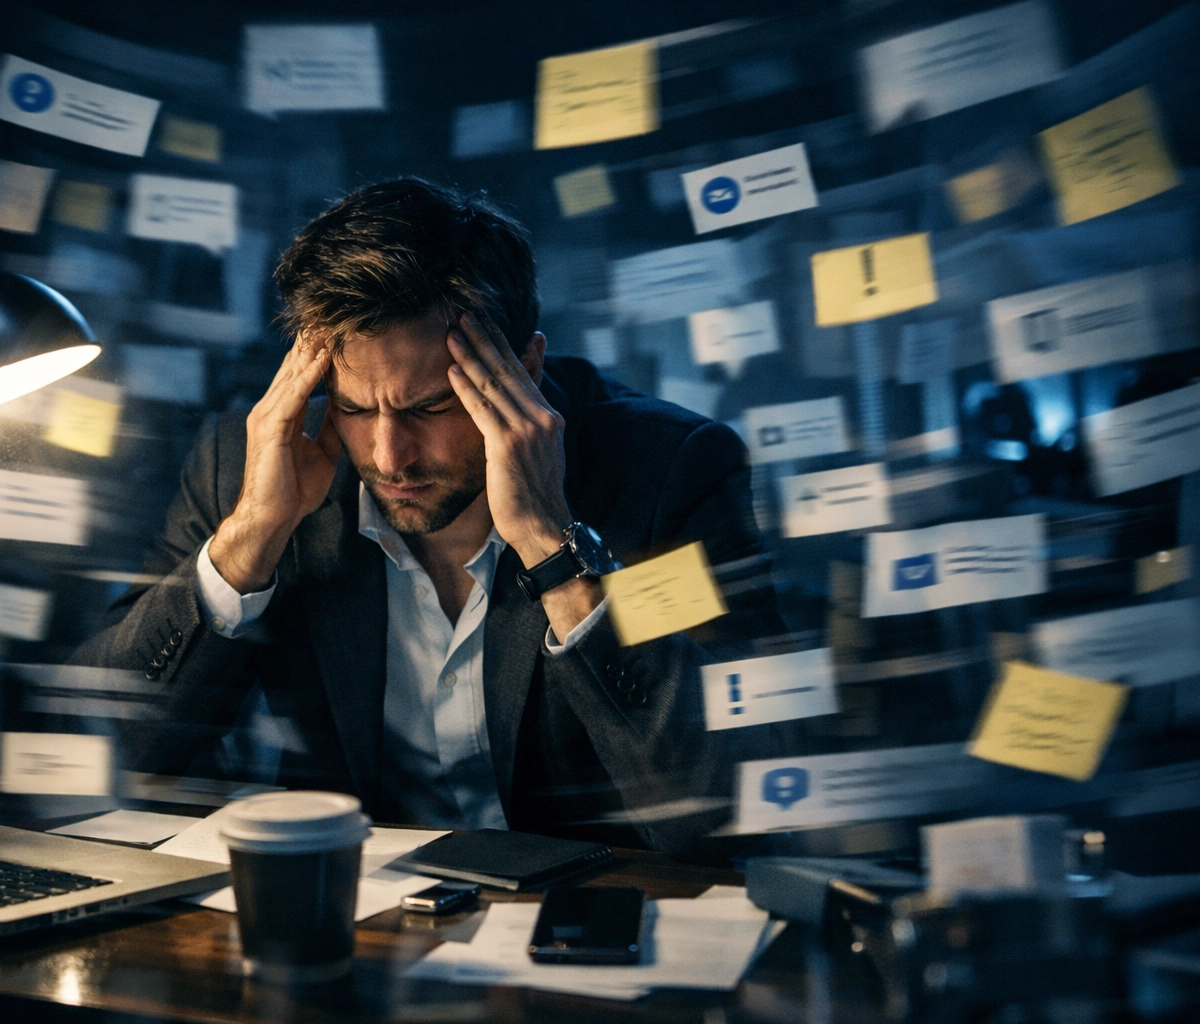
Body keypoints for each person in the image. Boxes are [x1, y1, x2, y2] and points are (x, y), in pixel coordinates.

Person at [74, 179, 792, 858]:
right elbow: (99, 750)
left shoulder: (662, 477)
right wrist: (250, 539)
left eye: (430, 408)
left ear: (527, 370)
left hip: (581, 931)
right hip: (362, 927)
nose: (389, 456)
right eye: (353, 407)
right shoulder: (254, 469)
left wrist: (556, 547)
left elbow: (729, 805)